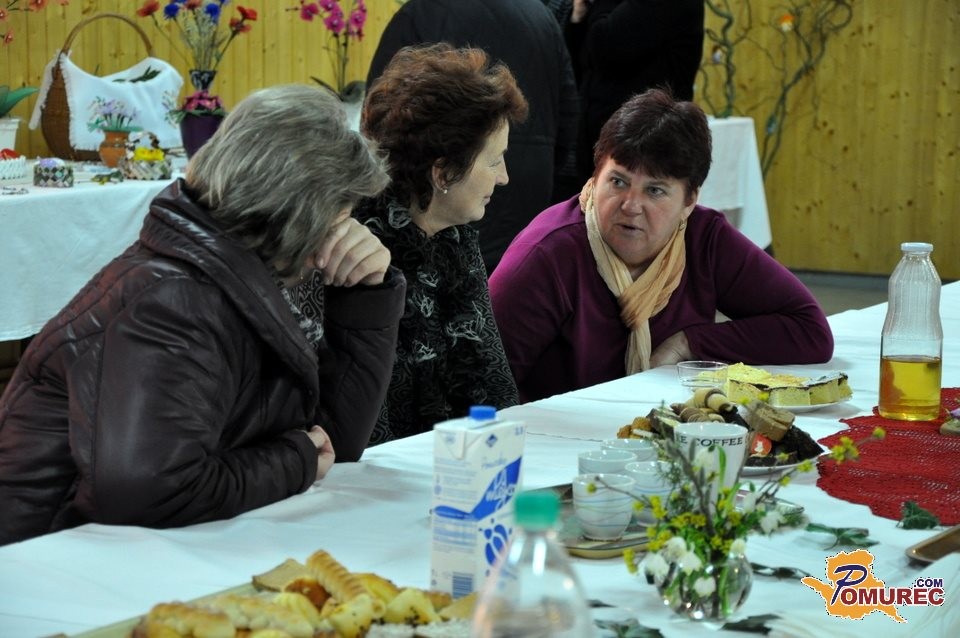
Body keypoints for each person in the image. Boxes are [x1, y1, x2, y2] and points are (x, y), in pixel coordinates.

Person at [0, 85, 406, 546]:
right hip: (46, 557)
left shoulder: (247, 270)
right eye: (337, 216)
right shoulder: (171, 299)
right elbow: (149, 494)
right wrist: (296, 460)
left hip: (122, 548)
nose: (341, 236)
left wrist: (365, 293)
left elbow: (335, 443)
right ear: (294, 212)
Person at [489, 89, 833, 403]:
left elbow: (810, 330)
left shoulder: (704, 238)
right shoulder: (547, 256)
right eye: (618, 181)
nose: (630, 205)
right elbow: (480, 386)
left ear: (689, 201)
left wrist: (689, 343)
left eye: (654, 190)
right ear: (595, 176)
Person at [357, 44, 525, 442]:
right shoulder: (359, 253)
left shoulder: (455, 236)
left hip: (453, 461)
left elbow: (495, 385)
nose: (504, 177)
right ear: (443, 173)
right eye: (494, 160)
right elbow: (366, 424)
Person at [367, 0, 579, 274]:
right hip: (523, 200)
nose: (504, 176)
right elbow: (569, 117)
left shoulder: (421, 13)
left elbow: (379, 123)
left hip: (442, 200)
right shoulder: (541, 15)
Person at [566, 0, 705, 187]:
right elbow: (580, 62)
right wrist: (578, 19)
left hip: (645, 147)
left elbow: (606, 45)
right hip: (608, 144)